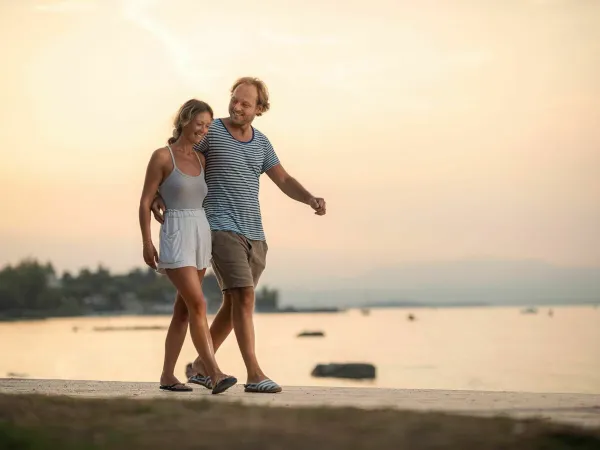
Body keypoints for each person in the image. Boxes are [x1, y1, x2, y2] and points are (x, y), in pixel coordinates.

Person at [152, 77, 326, 394]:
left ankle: (200, 367)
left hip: (254, 233)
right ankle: (255, 374)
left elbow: (283, 179)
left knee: (235, 304)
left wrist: (309, 198)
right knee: (245, 296)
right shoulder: (212, 131)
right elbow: (179, 152)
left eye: (246, 103)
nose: (237, 106)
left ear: (259, 108)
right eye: (234, 99)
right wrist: (157, 194)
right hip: (219, 226)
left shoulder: (261, 143)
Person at [139, 99, 237, 394]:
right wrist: (146, 241)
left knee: (183, 311)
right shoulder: (161, 156)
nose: (204, 130)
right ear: (184, 120)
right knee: (199, 304)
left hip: (200, 233)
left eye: (208, 126)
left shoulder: (201, 159)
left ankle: (168, 375)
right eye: (200, 124)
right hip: (176, 233)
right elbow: (145, 200)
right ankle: (212, 372)